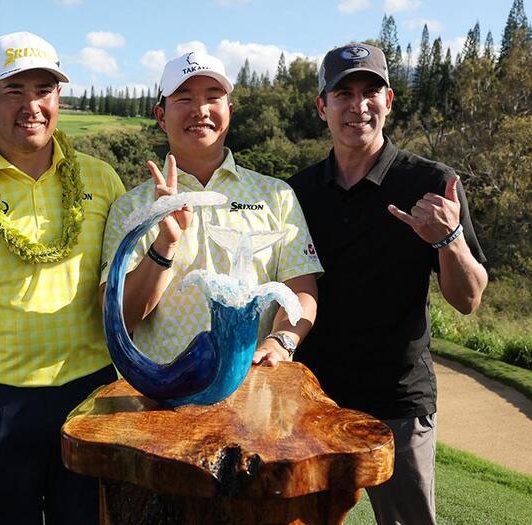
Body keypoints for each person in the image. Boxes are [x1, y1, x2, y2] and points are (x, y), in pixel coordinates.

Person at [0, 31, 125, 525]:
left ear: (59, 98)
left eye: (44, 90)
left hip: (89, 394)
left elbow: (119, 292)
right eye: (14, 91)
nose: (31, 105)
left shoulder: (101, 179)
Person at [287, 43, 488, 525]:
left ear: (390, 100)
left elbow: (469, 300)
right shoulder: (298, 191)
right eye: (344, 93)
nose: (358, 105)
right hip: (316, 397)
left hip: (398, 400)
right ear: (323, 106)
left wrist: (449, 240)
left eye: (370, 91)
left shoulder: (432, 183)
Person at [100, 52, 321, 367]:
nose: (200, 110)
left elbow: (301, 288)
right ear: (161, 116)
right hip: (158, 397)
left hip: (256, 389)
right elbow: (119, 319)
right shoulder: (131, 207)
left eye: (213, 97)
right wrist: (164, 245)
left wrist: (282, 340)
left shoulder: (276, 195)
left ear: (229, 111)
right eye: (184, 98)